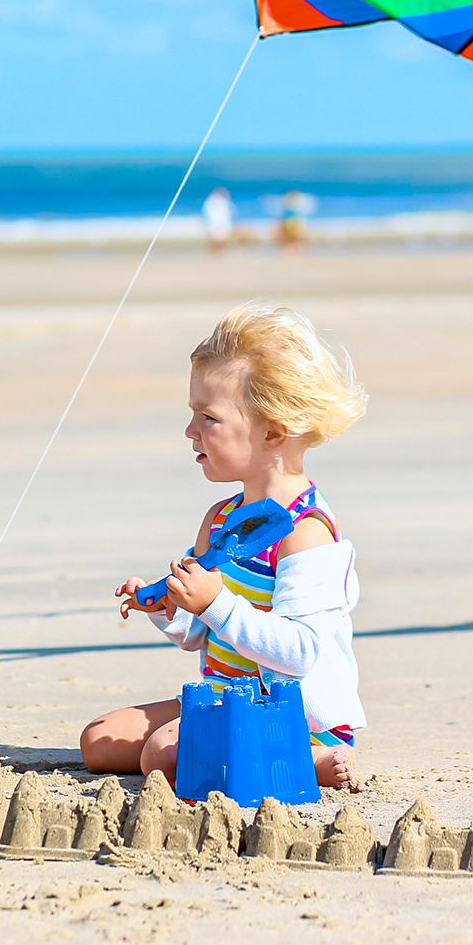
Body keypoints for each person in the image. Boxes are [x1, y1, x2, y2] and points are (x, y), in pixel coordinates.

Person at [79, 303, 368, 791]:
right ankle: (255, 754)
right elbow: (198, 634)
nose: (191, 431)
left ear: (274, 431)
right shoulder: (220, 520)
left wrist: (216, 602)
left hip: (288, 709)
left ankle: (310, 759)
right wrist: (167, 606)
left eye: (207, 417)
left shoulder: (306, 533)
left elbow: (300, 653)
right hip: (222, 694)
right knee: (99, 742)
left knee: (161, 755)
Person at [201, 186, 234, 254]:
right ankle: (216, 252)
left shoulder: (213, 201)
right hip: (217, 223)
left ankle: (217, 253)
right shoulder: (215, 201)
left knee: (220, 238)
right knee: (218, 238)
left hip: (218, 223)